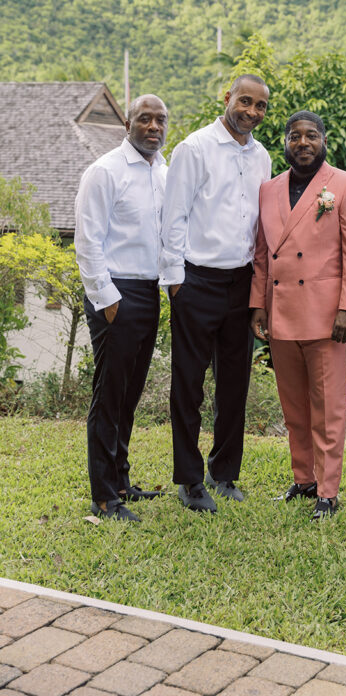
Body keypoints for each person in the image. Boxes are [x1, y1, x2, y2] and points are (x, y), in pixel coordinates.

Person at [250, 112, 346, 520]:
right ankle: (303, 479)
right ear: (284, 141)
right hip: (281, 311)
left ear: (323, 139)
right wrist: (258, 304)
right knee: (294, 408)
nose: (303, 142)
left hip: (327, 317)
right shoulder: (268, 189)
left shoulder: (345, 185)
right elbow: (263, 254)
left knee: (327, 408)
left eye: (311, 135)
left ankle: (328, 491)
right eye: (294, 136)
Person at [160, 75, 271, 512]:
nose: (251, 112)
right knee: (188, 383)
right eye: (245, 101)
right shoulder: (194, 149)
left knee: (234, 382)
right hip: (196, 280)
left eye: (260, 106)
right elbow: (174, 218)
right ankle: (189, 480)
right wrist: (175, 280)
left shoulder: (261, 155)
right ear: (227, 99)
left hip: (241, 282)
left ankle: (223, 471)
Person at [75, 94, 168, 522]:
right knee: (109, 397)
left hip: (150, 292)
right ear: (126, 124)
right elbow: (88, 241)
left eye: (160, 120)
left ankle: (123, 481)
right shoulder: (105, 171)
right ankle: (103, 497)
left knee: (129, 395)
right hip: (116, 295)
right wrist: (107, 300)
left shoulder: (162, 171)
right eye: (144, 119)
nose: (153, 126)